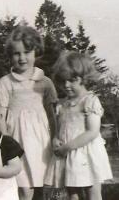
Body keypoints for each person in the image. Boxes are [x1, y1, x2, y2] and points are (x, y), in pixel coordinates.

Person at [0, 25, 58, 200]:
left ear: (36, 51)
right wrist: (6, 140)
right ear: (10, 56)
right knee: (24, 188)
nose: (22, 58)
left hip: (41, 142)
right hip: (17, 141)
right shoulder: (5, 83)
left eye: (27, 52)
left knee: (41, 186)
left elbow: (52, 114)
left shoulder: (44, 82)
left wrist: (55, 137)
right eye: (16, 53)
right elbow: (0, 116)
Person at [45, 51, 113, 200]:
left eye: (72, 80)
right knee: (72, 192)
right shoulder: (62, 104)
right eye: (63, 81)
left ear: (83, 78)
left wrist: (67, 147)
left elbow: (92, 132)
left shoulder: (89, 101)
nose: (66, 85)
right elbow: (58, 128)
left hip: (86, 154)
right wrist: (55, 139)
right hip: (67, 155)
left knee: (92, 192)